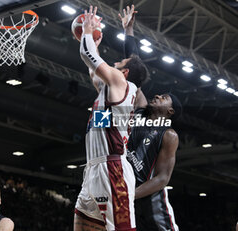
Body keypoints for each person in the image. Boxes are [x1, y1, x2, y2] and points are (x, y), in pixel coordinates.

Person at [74, 5, 148, 231]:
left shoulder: (120, 82)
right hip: (94, 169)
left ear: (124, 73)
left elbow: (86, 56)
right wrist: (94, 45)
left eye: (121, 63)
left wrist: (87, 31)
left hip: (113, 169)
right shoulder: (112, 90)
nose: (116, 62)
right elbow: (93, 71)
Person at [119, 5, 181, 231]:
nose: (157, 95)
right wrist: (128, 31)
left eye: (164, 97)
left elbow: (162, 179)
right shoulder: (141, 108)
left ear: (170, 111)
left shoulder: (169, 134)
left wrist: (130, 195)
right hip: (126, 193)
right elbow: (134, 68)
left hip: (150, 198)